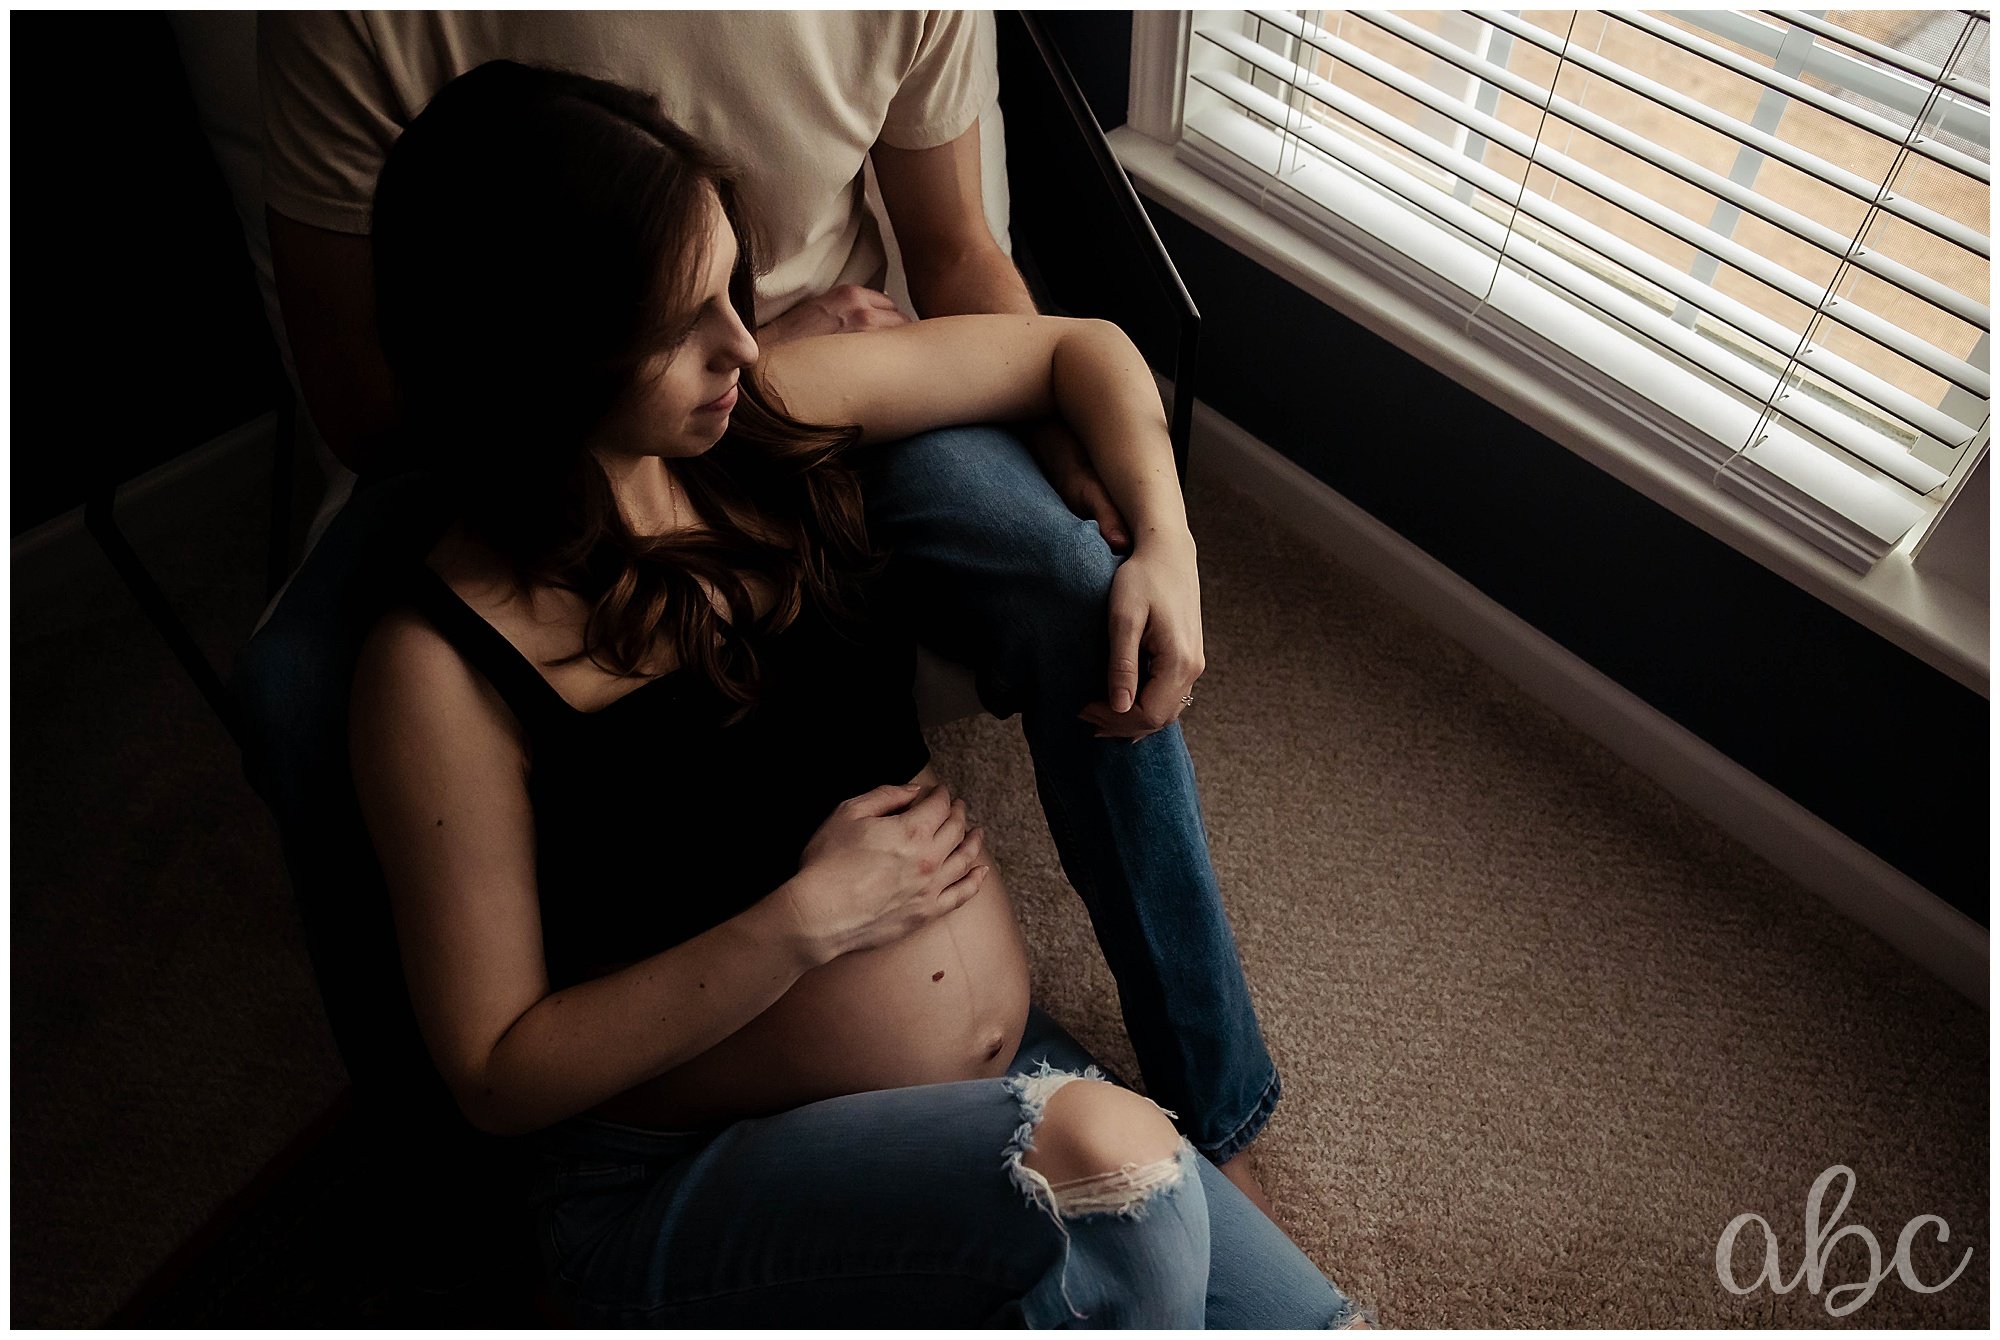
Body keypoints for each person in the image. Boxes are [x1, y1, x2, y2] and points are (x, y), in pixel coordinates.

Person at [348, 59, 1373, 1328]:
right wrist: (803, 921)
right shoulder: (435, 670)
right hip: (676, 1180)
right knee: (1123, 1189)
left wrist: (1166, 543)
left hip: (989, 1093)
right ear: (538, 366)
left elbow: (1078, 351)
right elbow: (497, 1068)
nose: (742, 339)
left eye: (729, 285)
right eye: (681, 326)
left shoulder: (754, 420)